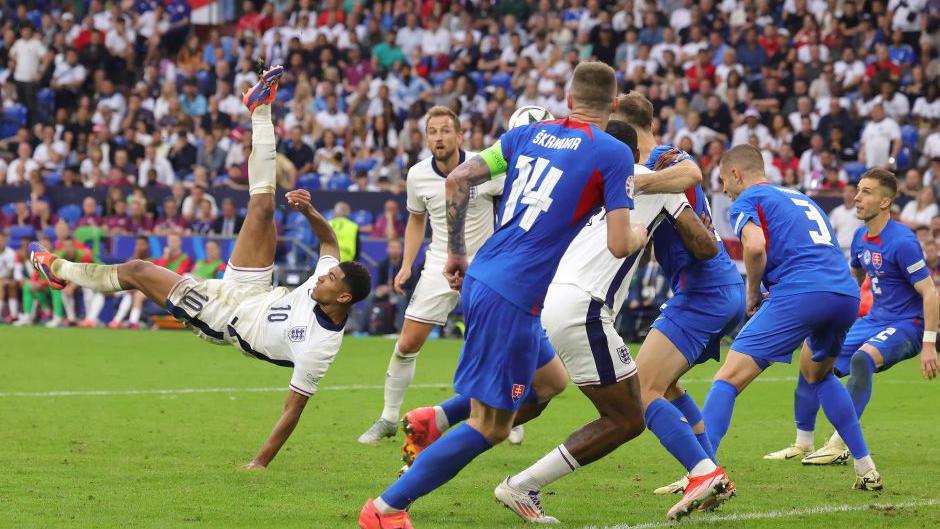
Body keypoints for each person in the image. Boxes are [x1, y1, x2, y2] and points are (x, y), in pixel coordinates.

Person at [29, 66, 371, 469]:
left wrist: (259, 463)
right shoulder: (326, 283)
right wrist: (310, 210)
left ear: (343, 297)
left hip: (225, 316)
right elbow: (329, 243)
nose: (322, 275)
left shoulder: (320, 347)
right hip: (255, 289)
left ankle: (58, 269)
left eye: (329, 278)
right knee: (263, 207)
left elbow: (292, 410)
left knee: (138, 269)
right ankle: (260, 109)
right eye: (327, 272)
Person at [358, 61, 647, 529]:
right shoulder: (613, 152)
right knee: (490, 426)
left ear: (568, 101)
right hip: (512, 296)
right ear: (613, 106)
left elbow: (456, 180)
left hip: (488, 275)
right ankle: (385, 509)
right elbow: (618, 243)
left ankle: (433, 419)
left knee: (551, 381)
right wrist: (636, 232)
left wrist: (453, 252)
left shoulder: (524, 136)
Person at [702, 144, 882, 492]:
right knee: (819, 374)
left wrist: (752, 291)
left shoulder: (747, 201)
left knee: (727, 378)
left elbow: (754, 247)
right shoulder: (801, 197)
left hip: (801, 291)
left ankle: (702, 473)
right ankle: (866, 466)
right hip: (844, 292)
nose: (724, 189)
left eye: (723, 180)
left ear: (736, 174)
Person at [610, 92, 746, 512]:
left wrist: (633, 182)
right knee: (666, 386)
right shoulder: (647, 166)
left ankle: (704, 472)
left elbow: (692, 172)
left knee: (639, 390)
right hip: (704, 288)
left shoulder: (665, 158)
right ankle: (708, 469)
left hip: (706, 288)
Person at [764, 169, 938, 463]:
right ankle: (802, 443)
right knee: (812, 357)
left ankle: (839, 443)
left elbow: (930, 293)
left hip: (907, 324)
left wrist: (930, 344)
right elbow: (852, 281)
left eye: (866, 192)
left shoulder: (903, 241)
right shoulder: (860, 236)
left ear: (885, 202)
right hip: (872, 320)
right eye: (858, 190)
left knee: (862, 359)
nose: (857, 198)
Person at [357, 106, 505, 445]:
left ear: (459, 135)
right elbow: (415, 219)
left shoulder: (487, 167)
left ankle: (510, 413)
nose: (439, 137)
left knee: (497, 344)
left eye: (445, 130)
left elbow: (509, 207)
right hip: (440, 262)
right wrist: (407, 263)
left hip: (485, 265)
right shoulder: (417, 175)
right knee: (407, 343)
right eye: (432, 132)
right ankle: (389, 418)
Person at [829, 184, 865, 260]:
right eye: (845, 191)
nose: (848, 194)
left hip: (855, 250)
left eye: (851, 191)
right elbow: (830, 231)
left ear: (856, 193)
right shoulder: (836, 211)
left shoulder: (861, 210)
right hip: (839, 250)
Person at [0, 232, 18, 322]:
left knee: (12, 285)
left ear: (5, 240)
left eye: (1, 239)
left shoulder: (11, 253)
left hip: (6, 278)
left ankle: (14, 315)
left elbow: (10, 270)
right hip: (1, 280)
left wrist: (3, 279)